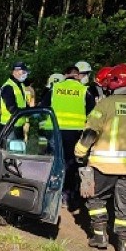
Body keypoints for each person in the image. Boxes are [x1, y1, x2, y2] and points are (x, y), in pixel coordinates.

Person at [74, 64, 126, 251]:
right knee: (125, 205)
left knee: (95, 198)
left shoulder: (106, 104)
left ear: (115, 82)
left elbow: (91, 131)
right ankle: (124, 246)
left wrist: (80, 151)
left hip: (103, 164)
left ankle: (100, 237)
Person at [40, 65, 95, 209]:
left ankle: (51, 195)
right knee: (71, 164)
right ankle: (68, 197)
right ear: (77, 75)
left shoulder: (55, 88)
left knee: (55, 162)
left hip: (54, 131)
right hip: (75, 133)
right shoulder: (84, 91)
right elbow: (93, 113)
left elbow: (43, 107)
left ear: (65, 75)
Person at [0, 61, 32, 138]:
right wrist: (26, 112)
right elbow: (12, 108)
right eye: (23, 72)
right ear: (15, 72)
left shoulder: (21, 85)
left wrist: (32, 112)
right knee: (10, 149)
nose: (25, 74)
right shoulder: (8, 87)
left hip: (18, 126)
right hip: (9, 127)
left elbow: (24, 105)